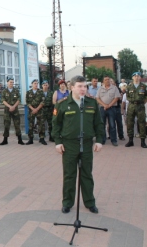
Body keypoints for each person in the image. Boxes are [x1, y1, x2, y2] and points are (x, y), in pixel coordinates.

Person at [52, 75, 103, 214]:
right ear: (72, 87)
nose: (83, 89)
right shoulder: (62, 104)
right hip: (69, 145)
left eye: (85, 86)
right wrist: (58, 143)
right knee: (69, 175)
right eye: (79, 86)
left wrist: (99, 140)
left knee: (87, 174)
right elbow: (56, 125)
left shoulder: (91, 103)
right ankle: (67, 202)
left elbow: (98, 124)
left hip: (86, 144)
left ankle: (89, 202)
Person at [125, 72, 147, 148]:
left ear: (140, 77)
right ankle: (130, 140)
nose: (136, 77)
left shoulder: (144, 86)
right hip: (131, 106)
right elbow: (127, 96)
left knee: (142, 123)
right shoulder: (129, 87)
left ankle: (143, 141)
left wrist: (142, 103)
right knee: (130, 123)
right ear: (132, 78)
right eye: (135, 76)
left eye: (138, 76)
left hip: (140, 106)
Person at [96, 76, 121, 146]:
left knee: (112, 125)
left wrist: (109, 105)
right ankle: (103, 140)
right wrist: (104, 105)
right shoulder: (100, 89)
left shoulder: (114, 88)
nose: (107, 81)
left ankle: (114, 140)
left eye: (108, 79)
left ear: (110, 81)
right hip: (102, 108)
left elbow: (116, 98)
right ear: (103, 81)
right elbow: (97, 98)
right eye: (105, 80)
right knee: (102, 124)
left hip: (112, 108)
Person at [0, 76, 24, 145]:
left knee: (17, 125)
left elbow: (19, 99)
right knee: (6, 125)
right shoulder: (4, 91)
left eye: (13, 82)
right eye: (10, 82)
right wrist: (10, 106)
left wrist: (13, 106)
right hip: (7, 110)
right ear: (7, 82)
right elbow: (3, 100)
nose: (12, 84)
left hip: (15, 110)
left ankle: (20, 140)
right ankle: (5, 140)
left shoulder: (16, 90)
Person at [25, 79, 47, 145]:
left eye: (37, 83)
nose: (36, 85)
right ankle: (30, 139)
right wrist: (33, 109)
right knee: (31, 125)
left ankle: (42, 139)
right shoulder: (28, 92)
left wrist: (37, 109)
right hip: (31, 111)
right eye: (35, 83)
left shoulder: (40, 92)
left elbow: (43, 101)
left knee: (41, 125)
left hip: (39, 110)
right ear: (32, 84)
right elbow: (27, 102)